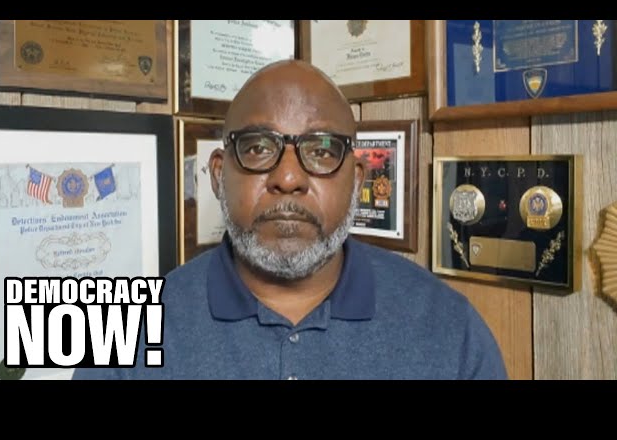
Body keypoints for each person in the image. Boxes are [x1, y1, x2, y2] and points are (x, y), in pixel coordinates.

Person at [73, 59, 507, 380]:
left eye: (321, 150)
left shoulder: (449, 328)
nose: (288, 178)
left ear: (357, 180)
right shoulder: (126, 335)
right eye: (258, 147)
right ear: (219, 175)